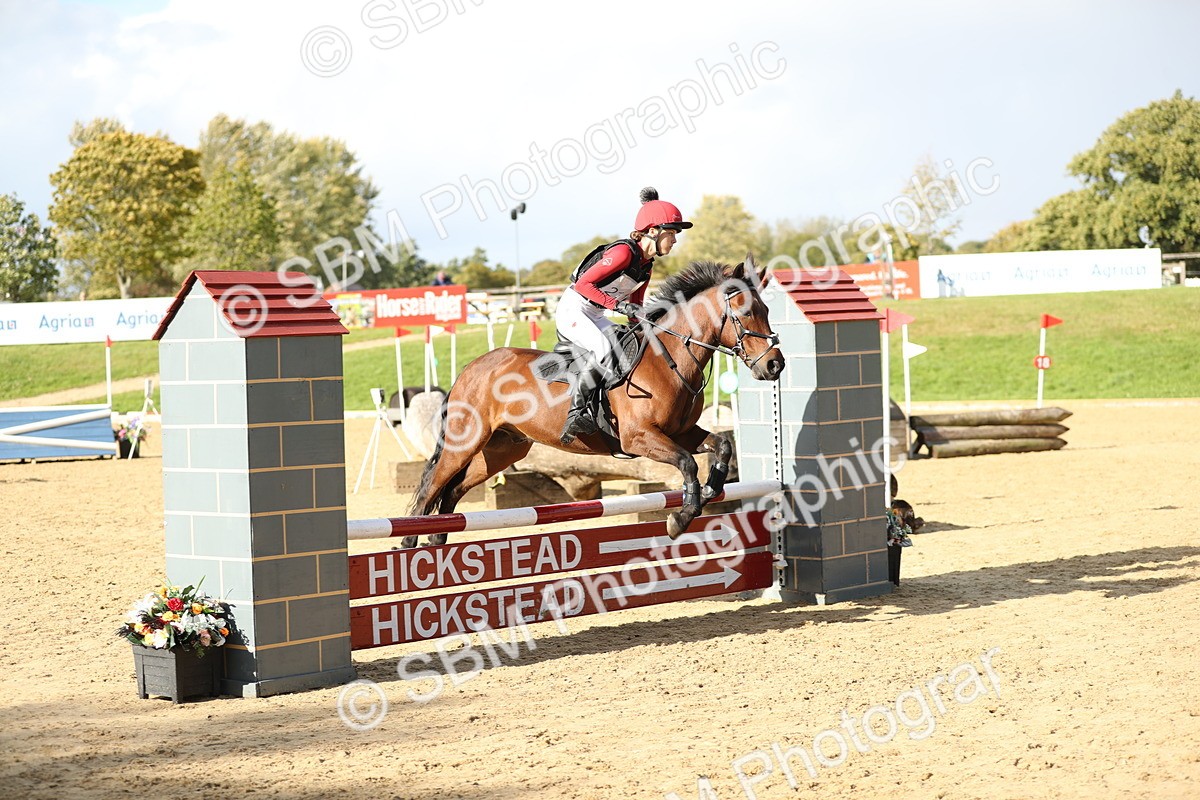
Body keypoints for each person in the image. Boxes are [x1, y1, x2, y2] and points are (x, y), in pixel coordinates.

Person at [555, 186, 692, 444]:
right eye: (671, 233)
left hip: (595, 312)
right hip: (574, 308)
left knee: (630, 346)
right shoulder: (623, 253)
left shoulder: (646, 266)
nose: (674, 240)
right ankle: (577, 414)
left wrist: (647, 327)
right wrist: (617, 306)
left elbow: (635, 306)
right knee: (604, 347)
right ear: (653, 231)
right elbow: (584, 285)